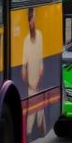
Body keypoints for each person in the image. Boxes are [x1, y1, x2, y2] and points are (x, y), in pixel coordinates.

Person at [21, 7, 46, 136]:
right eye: (30, 19)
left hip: (38, 76)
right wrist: (28, 81)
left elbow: (41, 59)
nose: (32, 22)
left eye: (33, 19)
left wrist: (40, 76)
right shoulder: (26, 40)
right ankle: (31, 130)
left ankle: (40, 126)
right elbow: (23, 66)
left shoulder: (40, 35)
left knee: (38, 102)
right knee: (32, 105)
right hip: (31, 79)